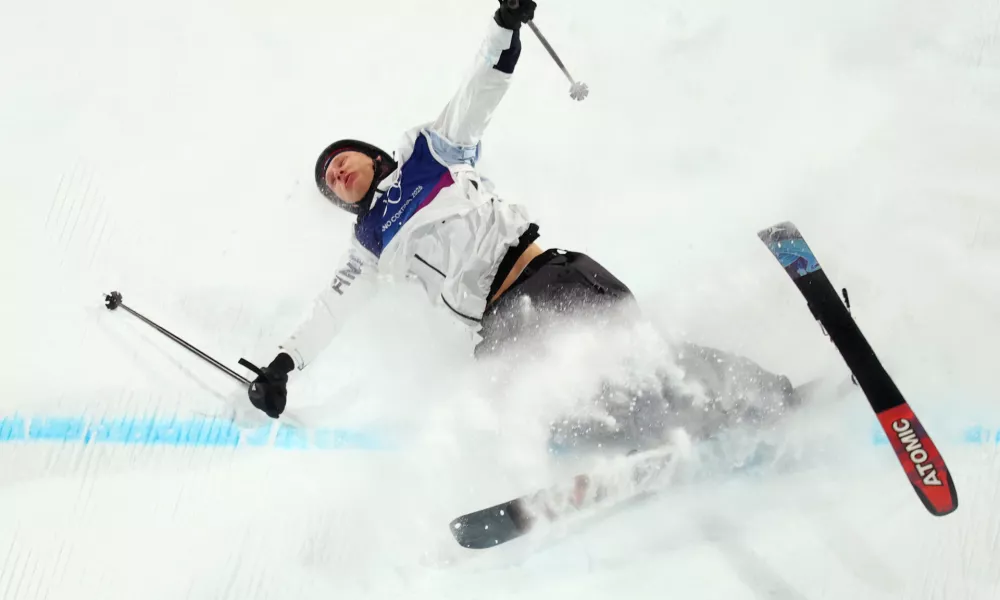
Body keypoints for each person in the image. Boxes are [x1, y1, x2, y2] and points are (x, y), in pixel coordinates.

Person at [247, 0, 797, 449]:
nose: (336, 172)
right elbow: (330, 309)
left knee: (644, 356)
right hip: (498, 325)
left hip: (549, 276)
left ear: (370, 156)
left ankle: (769, 397)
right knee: (555, 409)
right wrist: (281, 366)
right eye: (329, 180)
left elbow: (476, 92)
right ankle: (666, 435)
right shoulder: (369, 242)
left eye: (340, 160)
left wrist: (503, 26)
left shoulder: (428, 153)